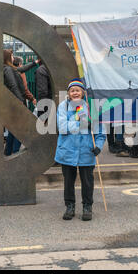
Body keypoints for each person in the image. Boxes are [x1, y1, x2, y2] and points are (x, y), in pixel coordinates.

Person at [55, 78, 106, 221]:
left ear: (83, 92)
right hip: (67, 150)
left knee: (87, 181)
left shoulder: (92, 108)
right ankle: (69, 206)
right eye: (72, 91)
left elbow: (101, 133)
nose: (75, 93)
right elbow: (63, 128)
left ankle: (87, 206)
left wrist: (99, 147)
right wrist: (82, 124)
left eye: (78, 90)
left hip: (87, 150)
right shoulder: (63, 107)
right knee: (68, 181)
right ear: (69, 93)